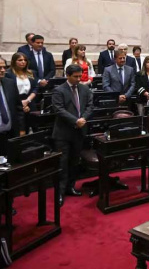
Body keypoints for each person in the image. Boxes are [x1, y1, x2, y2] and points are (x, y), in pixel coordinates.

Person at [52, 64, 94, 205]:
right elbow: (58, 109)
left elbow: (89, 106)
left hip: (79, 131)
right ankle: (60, 192)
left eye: (79, 76)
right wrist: (75, 120)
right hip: (63, 133)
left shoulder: (84, 88)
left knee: (74, 162)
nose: (78, 79)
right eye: (75, 77)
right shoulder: (59, 90)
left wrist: (83, 119)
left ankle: (70, 187)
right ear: (67, 75)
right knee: (62, 163)